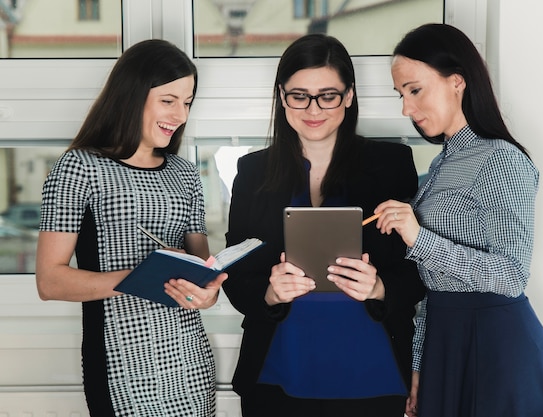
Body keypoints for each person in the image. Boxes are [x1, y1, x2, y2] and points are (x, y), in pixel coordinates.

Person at [221, 33, 425, 417]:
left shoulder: (391, 164)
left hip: (372, 373)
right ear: (282, 96)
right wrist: (269, 293)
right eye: (299, 95)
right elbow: (236, 271)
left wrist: (380, 287)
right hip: (278, 373)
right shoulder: (252, 172)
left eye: (327, 95)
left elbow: (420, 269)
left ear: (349, 95)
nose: (313, 108)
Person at [372, 23, 543, 417]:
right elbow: (433, 286)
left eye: (414, 90)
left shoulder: (501, 159)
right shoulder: (443, 163)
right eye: (401, 95)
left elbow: (511, 275)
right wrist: (419, 366)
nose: (406, 109)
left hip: (497, 347)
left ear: (456, 81)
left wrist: (417, 236)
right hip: (446, 342)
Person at [36, 39, 227, 417]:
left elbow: (204, 270)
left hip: (190, 362)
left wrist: (209, 294)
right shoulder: (79, 168)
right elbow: (50, 282)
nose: (180, 114)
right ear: (132, 94)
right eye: (168, 100)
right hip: (122, 362)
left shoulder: (185, 175)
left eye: (187, 102)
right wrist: (142, 277)